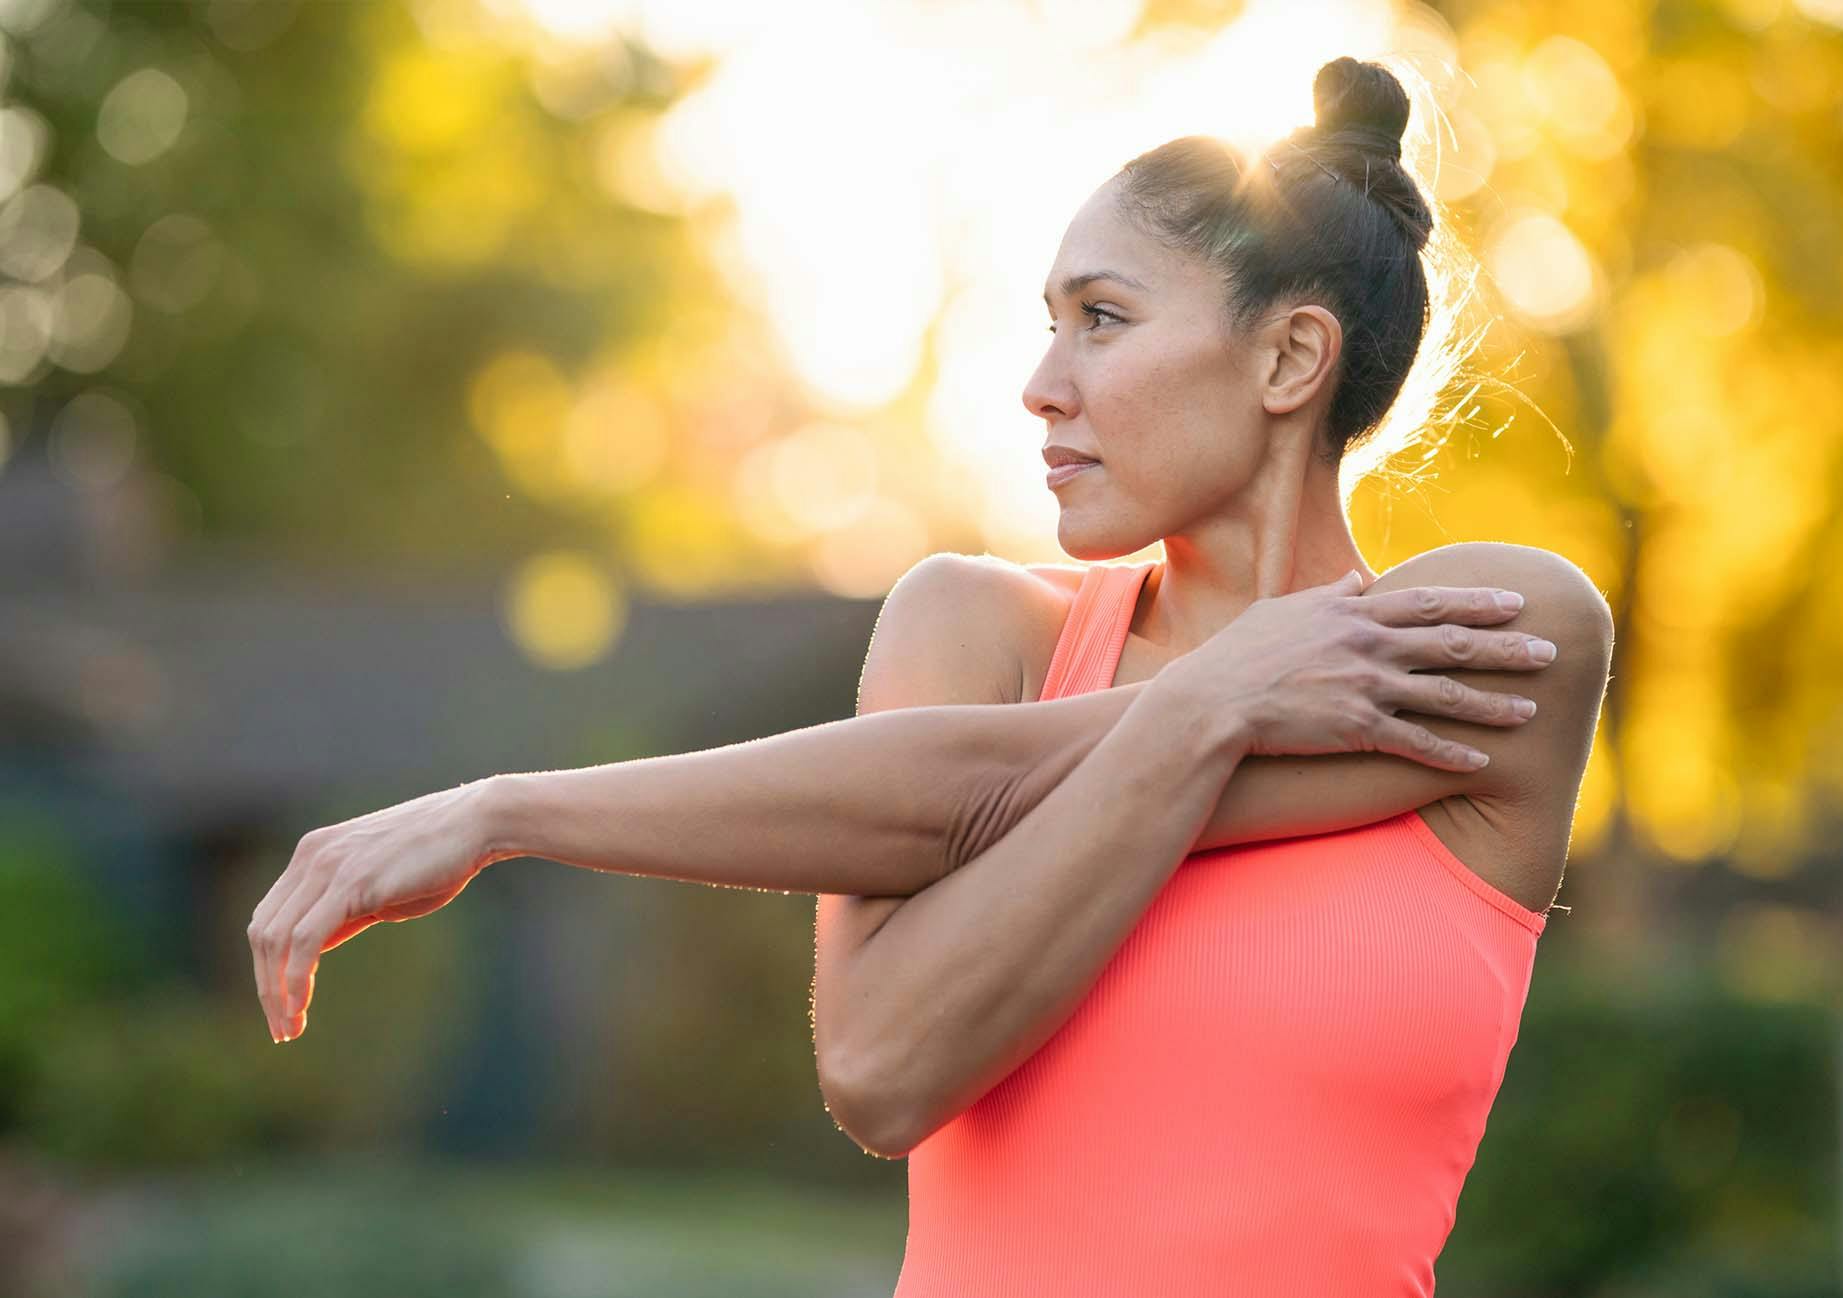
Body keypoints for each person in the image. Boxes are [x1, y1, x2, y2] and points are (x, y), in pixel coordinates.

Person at [248, 55, 1612, 1297]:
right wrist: (1215, 700)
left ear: (1288, 357)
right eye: (1047, 321)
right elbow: (884, 1071)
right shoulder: (976, 629)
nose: (1038, 382)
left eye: (1101, 318)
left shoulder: (1499, 641)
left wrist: (1211, 700)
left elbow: (973, 792)